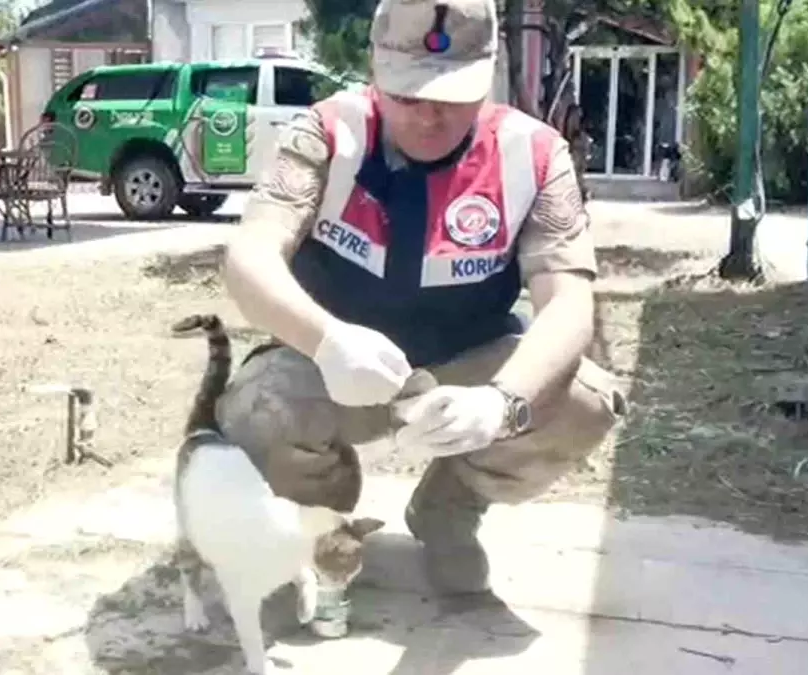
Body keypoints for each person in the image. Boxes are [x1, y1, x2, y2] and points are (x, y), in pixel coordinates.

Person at [214, 0, 627, 607]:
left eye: (452, 94)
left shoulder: (535, 155)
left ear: (487, 72)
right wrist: (328, 341)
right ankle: (326, 523)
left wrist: (502, 403)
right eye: (406, 94)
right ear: (376, 71)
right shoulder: (325, 134)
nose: (429, 116)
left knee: (585, 401)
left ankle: (448, 510)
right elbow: (249, 258)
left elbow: (568, 304)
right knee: (254, 410)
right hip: (332, 366)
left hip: (466, 366)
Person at [561, 103, 592, 202]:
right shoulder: (564, 135)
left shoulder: (581, 137)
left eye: (578, 118)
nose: (575, 121)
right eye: (574, 117)